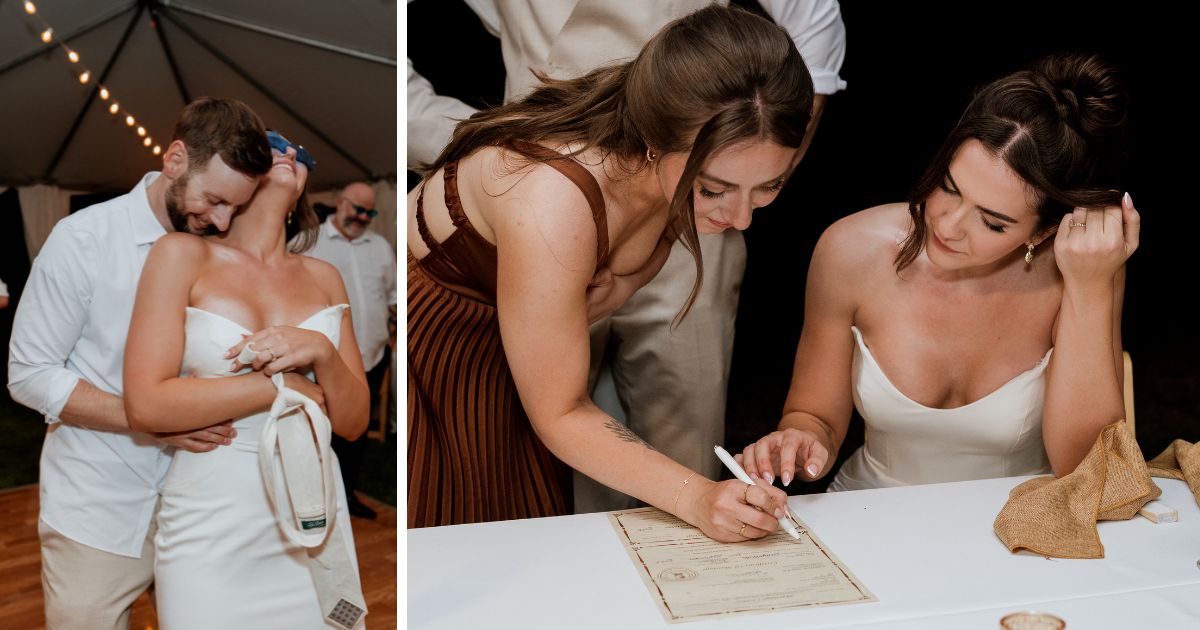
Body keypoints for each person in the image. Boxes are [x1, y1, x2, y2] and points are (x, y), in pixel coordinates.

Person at [407, 0, 846, 513]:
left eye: (766, 186)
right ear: (654, 140)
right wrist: (699, 498)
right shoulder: (553, 198)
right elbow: (563, 413)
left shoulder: (678, 183)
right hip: (449, 361)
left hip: (531, 356)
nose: (743, 219)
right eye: (715, 188)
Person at [737, 53, 1140, 491]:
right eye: (948, 188)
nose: (947, 225)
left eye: (992, 222)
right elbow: (814, 417)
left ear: (1043, 233)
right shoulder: (851, 250)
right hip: (873, 516)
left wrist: (1090, 285)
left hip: (1020, 530)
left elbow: (1087, 471)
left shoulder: (1080, 270)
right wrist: (799, 439)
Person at [7, 97, 270, 629]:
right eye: (215, 199)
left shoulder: (223, 252)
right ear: (176, 160)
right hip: (99, 506)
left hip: (205, 508)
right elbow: (29, 375)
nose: (221, 221)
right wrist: (153, 416)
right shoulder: (83, 240)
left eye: (236, 209)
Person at [123, 130, 369, 628]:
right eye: (270, 146)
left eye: (296, 152)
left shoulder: (325, 277)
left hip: (313, 508)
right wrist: (283, 386)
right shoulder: (181, 255)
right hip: (213, 519)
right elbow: (145, 405)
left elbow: (354, 423)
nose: (287, 154)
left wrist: (320, 351)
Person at [305, 181, 397, 520]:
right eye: (356, 208)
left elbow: (393, 298)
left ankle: (347, 495)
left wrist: (396, 332)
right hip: (322, 363)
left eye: (369, 212)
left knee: (355, 434)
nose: (362, 216)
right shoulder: (309, 243)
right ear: (340, 203)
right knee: (319, 431)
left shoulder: (382, 247)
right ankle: (316, 501)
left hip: (372, 356)